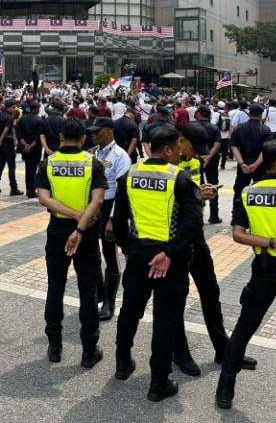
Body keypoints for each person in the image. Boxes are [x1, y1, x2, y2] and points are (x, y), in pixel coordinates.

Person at [215, 140, 276, 422]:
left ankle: (225, 390)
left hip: (262, 270)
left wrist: (269, 242)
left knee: (243, 330)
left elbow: (237, 233)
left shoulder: (248, 193)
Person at [111, 124, 203, 402]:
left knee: (130, 310)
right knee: (165, 319)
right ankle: (158, 382)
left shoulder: (130, 175)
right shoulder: (180, 178)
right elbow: (192, 224)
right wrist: (171, 254)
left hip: (138, 253)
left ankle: (122, 363)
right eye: (177, 148)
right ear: (166, 149)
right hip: (169, 259)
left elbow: (118, 220)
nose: (179, 153)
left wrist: (128, 247)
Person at [173, 123, 256, 377]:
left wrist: (202, 193)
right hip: (175, 239)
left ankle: (223, 349)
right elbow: (169, 202)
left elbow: (191, 192)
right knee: (176, 298)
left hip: (196, 236)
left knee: (211, 292)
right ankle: (180, 352)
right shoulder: (168, 165)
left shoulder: (194, 159)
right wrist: (197, 197)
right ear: (180, 140)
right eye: (192, 147)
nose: (195, 153)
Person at [37, 118, 107, 368]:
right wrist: (81, 220)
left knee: (55, 287)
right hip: (85, 232)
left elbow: (43, 198)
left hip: (57, 229)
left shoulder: (49, 163)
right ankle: (89, 351)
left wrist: (72, 217)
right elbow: (98, 200)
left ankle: (54, 347)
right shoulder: (93, 163)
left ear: (60, 136)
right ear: (84, 139)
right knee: (87, 292)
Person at [89, 117, 130, 322]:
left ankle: (109, 301)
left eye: (97, 132)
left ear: (109, 132)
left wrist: (113, 219)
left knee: (110, 255)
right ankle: (98, 294)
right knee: (92, 253)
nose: (93, 135)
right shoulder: (93, 153)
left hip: (111, 207)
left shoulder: (120, 156)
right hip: (94, 207)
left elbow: (122, 191)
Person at [230, 103, 271, 208]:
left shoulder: (239, 128)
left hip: (243, 164)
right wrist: (256, 164)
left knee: (240, 191)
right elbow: (265, 150)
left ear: (249, 113)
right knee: (261, 192)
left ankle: (237, 218)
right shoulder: (265, 130)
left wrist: (242, 163)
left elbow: (234, 147)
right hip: (260, 165)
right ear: (261, 115)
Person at [196, 106, 223, 224]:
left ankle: (198, 216)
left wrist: (200, 157)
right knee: (213, 186)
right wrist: (209, 156)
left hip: (195, 160)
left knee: (197, 186)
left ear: (199, 114)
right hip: (212, 160)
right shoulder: (214, 128)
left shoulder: (193, 127)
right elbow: (217, 145)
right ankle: (214, 216)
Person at [0, 99, 20, 195]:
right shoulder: (9, 118)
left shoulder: (1, 116)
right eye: (13, 107)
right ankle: (13, 188)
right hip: (7, 143)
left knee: (0, 165)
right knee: (11, 167)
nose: (14, 109)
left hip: (2, 143)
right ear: (8, 108)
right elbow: (5, 130)